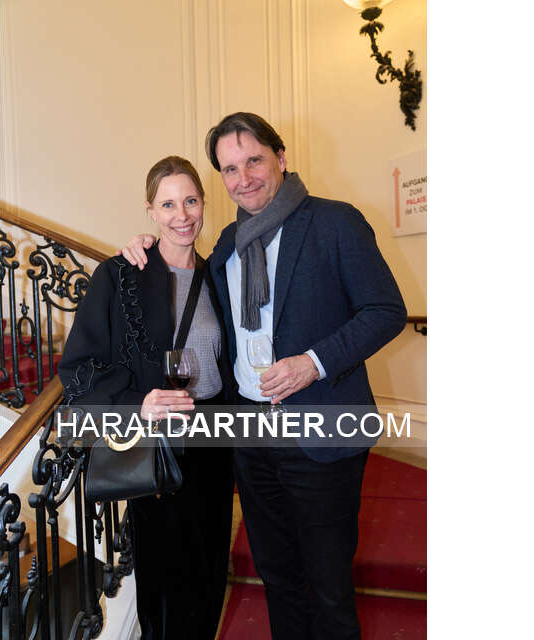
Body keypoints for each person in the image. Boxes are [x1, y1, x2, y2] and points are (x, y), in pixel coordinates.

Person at [120, 113, 407, 639]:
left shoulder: (335, 222)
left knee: (329, 587)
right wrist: (145, 246)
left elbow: (385, 310)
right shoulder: (228, 244)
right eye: (230, 169)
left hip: (322, 430)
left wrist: (312, 362)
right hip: (252, 439)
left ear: (281, 158)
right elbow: (186, 282)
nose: (244, 178)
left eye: (254, 160)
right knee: (278, 579)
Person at [57, 155, 234, 640]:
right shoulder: (121, 275)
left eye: (191, 201)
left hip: (214, 441)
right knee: (165, 579)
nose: (182, 215)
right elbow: (78, 368)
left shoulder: (218, 275)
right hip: (157, 443)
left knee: (210, 570)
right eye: (168, 204)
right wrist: (138, 405)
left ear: (203, 203)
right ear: (150, 211)